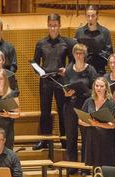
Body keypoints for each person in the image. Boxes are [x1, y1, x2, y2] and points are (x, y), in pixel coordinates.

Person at [33, 13, 74, 150]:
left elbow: (72, 62)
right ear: (47, 25)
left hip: (60, 81)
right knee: (45, 112)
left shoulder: (66, 43)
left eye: (55, 26)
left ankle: (64, 140)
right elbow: (35, 63)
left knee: (62, 111)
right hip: (45, 81)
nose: (53, 28)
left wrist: (66, 69)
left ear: (59, 25)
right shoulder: (41, 43)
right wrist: (40, 72)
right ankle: (44, 141)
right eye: (50, 26)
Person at [62, 43, 98, 162]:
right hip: (71, 105)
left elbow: (95, 88)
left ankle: (85, 165)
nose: (78, 55)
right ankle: (72, 165)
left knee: (86, 136)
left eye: (81, 53)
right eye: (76, 53)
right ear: (73, 54)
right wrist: (66, 93)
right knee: (71, 136)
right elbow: (65, 87)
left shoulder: (90, 69)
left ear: (84, 55)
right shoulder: (68, 69)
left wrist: (86, 91)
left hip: (85, 106)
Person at [79, 77, 115, 167]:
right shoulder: (89, 101)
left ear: (106, 88)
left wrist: (98, 124)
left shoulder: (111, 103)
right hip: (91, 139)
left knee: (106, 168)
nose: (99, 88)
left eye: (101, 86)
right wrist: (89, 123)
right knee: (95, 169)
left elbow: (112, 125)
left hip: (106, 140)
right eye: (96, 86)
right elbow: (80, 120)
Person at [74, 5, 112, 72]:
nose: (90, 18)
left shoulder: (105, 32)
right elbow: (74, 52)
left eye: (93, 16)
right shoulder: (79, 32)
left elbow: (109, 54)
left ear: (97, 16)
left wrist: (97, 53)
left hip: (99, 70)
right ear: (85, 16)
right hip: (82, 70)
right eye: (88, 16)